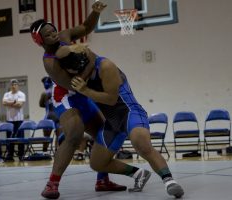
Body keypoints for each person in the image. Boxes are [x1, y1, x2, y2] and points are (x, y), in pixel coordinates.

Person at [30, 2, 151, 199]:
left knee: (103, 134)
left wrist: (94, 13)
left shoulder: (64, 37)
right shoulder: (50, 62)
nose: (54, 34)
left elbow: (86, 27)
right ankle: (52, 183)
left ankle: (104, 179)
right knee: (75, 133)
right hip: (67, 95)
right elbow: (73, 85)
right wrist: (88, 57)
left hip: (84, 91)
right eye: (48, 34)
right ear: (40, 40)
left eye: (53, 30)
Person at [54, 44, 185, 198]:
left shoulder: (105, 66)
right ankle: (138, 174)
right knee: (97, 163)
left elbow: (111, 99)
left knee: (141, 144)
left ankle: (169, 181)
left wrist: (86, 91)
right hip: (112, 123)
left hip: (130, 112)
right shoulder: (76, 73)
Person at [2, 79, 26, 161]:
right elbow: (4, 103)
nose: (14, 86)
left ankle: (21, 155)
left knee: (20, 138)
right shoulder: (7, 94)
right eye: (12, 84)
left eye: (15, 84)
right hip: (9, 120)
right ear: (10, 85)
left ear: (18, 85)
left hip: (19, 120)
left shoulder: (21, 94)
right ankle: (10, 155)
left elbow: (19, 105)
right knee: (9, 138)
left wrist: (9, 103)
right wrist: (14, 102)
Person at [39, 76, 61, 152]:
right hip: (58, 116)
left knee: (46, 137)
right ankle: (57, 151)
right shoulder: (58, 91)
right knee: (59, 136)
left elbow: (41, 104)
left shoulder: (44, 93)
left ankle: (44, 152)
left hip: (48, 117)